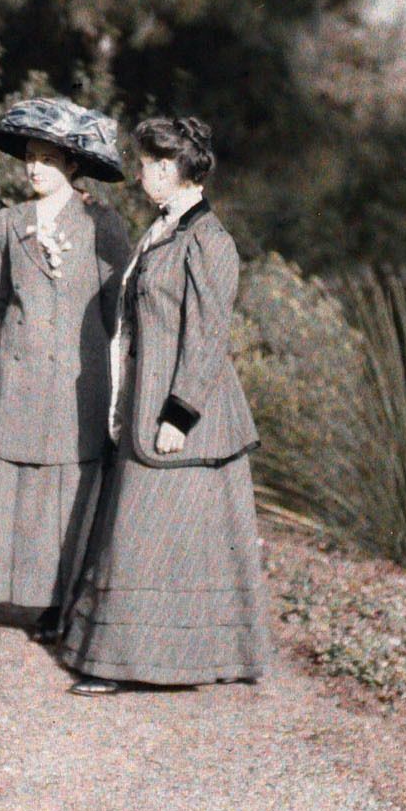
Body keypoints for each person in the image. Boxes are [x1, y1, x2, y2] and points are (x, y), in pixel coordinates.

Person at [59, 114, 269, 694]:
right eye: (145, 162)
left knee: (145, 535)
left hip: (185, 415)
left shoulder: (209, 240)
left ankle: (122, 663)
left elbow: (208, 335)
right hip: (149, 400)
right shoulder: (163, 230)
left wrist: (179, 414)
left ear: (182, 169)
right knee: (152, 537)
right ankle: (142, 658)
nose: (144, 174)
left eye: (156, 164)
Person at [0, 99, 131, 641]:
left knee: (66, 490)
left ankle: (60, 603)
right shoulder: (9, 223)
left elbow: (117, 307)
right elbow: (2, 295)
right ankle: (5, 587)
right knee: (14, 480)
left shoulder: (102, 224)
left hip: (78, 377)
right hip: (22, 373)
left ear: (73, 166)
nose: (34, 168)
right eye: (30, 157)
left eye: (48, 159)